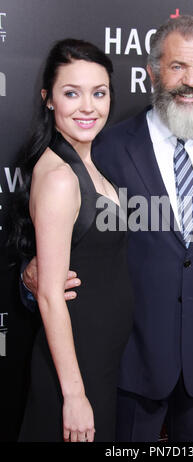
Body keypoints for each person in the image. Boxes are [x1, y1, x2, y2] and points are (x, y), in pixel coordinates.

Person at [23, 16, 193, 442]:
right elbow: (74, 233)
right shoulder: (105, 147)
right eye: (177, 67)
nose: (191, 81)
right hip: (127, 361)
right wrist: (33, 273)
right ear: (153, 72)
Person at [15, 39, 133, 442]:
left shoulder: (86, 161)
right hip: (74, 370)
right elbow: (49, 295)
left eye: (99, 93)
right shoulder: (61, 177)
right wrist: (75, 394)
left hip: (97, 359)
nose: (88, 107)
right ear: (49, 99)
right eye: (72, 93)